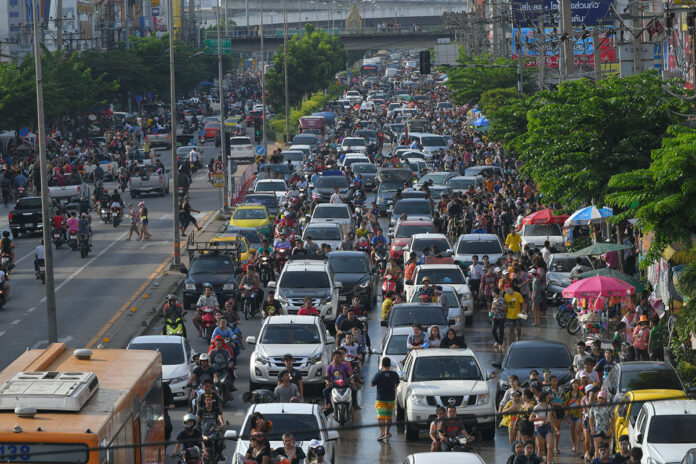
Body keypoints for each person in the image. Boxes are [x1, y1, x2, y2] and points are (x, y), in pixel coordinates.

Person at [371, 356, 400, 441]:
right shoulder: (394, 374)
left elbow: (372, 384)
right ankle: (387, 432)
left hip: (381, 399)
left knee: (381, 417)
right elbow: (397, 383)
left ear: (382, 364)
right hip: (391, 398)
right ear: (390, 365)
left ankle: (382, 433)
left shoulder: (379, 374)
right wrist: (393, 387)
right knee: (389, 416)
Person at [589, 391, 614, 459]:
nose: (600, 399)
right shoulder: (593, 408)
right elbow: (590, 419)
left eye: (602, 398)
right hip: (597, 430)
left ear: (605, 399)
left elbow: (612, 419)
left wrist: (609, 430)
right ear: (597, 398)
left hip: (606, 430)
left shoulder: (609, 407)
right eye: (599, 398)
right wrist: (592, 429)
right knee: (597, 449)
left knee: (606, 449)